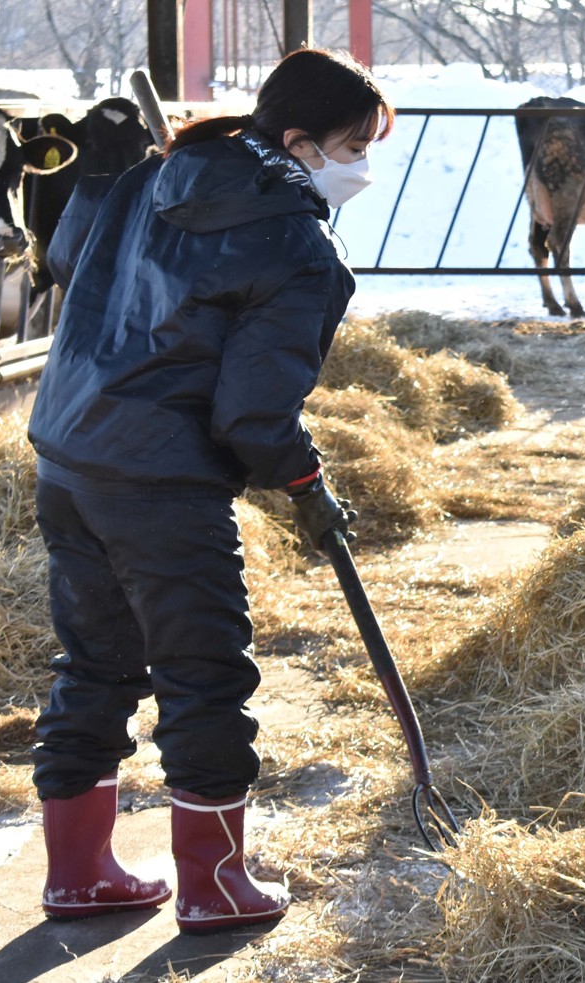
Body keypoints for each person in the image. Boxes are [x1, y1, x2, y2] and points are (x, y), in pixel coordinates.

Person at [25, 47, 393, 934]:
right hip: (163, 485)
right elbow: (253, 416)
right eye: (353, 147)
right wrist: (304, 481)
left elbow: (68, 259)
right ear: (299, 142)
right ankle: (215, 883)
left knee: (96, 662)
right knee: (204, 675)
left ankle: (77, 873)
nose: (361, 168)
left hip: (69, 457)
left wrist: (102, 184)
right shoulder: (297, 247)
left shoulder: (158, 172)